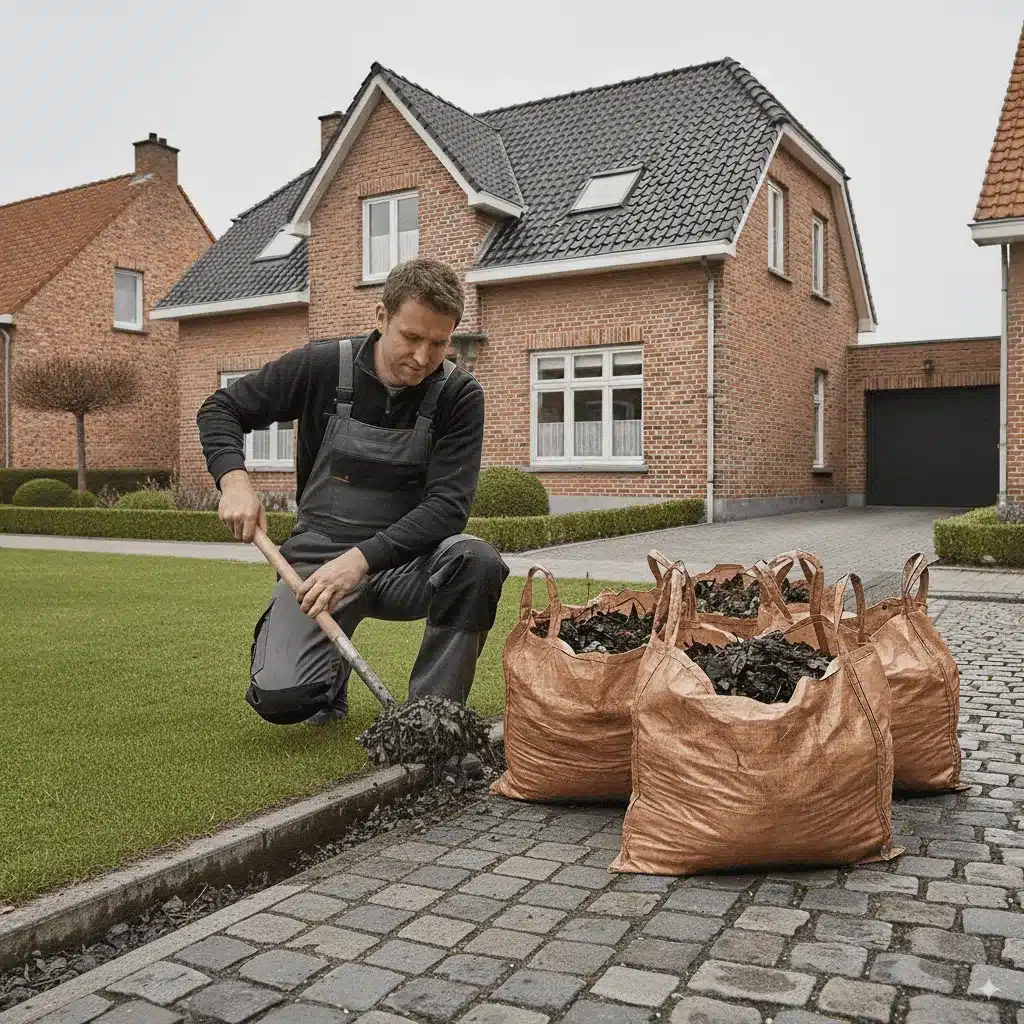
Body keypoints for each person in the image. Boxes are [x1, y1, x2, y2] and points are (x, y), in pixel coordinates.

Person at [196, 258, 509, 725]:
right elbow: (221, 408)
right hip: (318, 561)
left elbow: (448, 508)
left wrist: (360, 560)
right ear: (381, 317)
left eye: (439, 343)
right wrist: (234, 480)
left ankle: (431, 719)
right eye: (412, 337)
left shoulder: (458, 396)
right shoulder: (321, 366)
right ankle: (326, 679)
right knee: (283, 700)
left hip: (405, 563)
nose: (423, 358)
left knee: (476, 563)